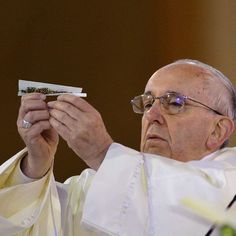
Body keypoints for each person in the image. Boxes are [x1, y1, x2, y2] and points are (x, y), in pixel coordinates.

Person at [0, 59, 236, 236]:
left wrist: (101, 152)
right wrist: (34, 167)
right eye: (148, 103)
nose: (151, 115)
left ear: (217, 130)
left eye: (174, 103)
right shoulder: (94, 190)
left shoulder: (230, 180)